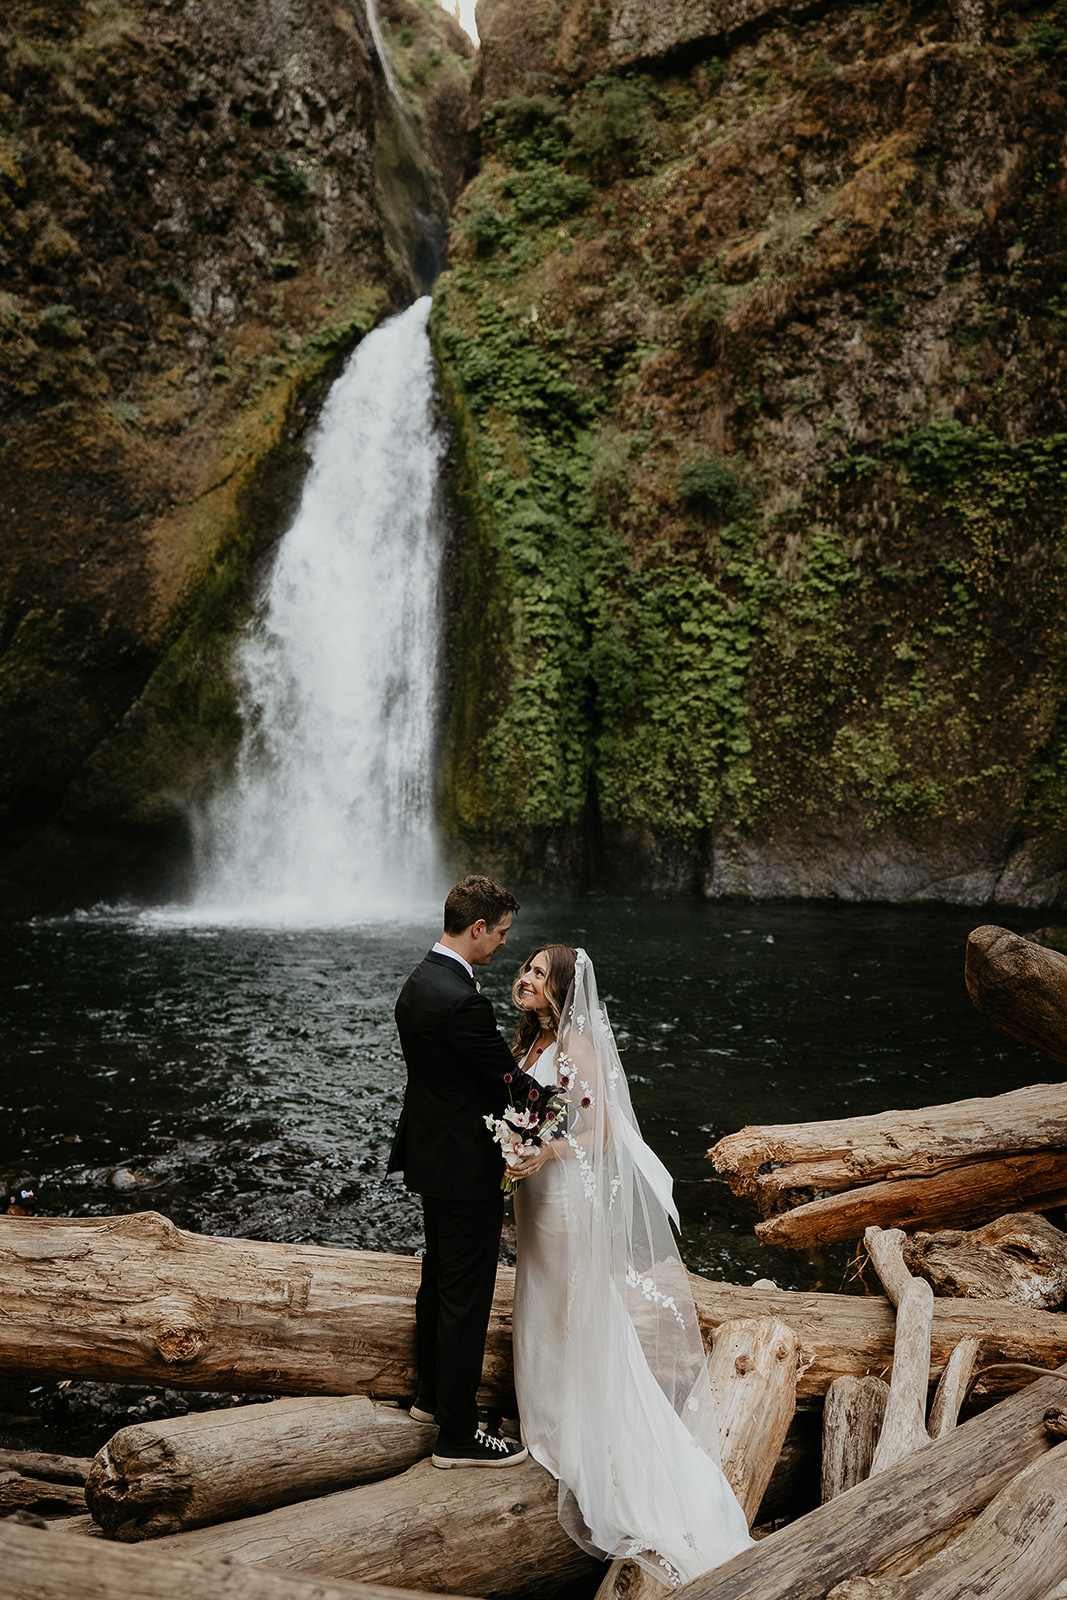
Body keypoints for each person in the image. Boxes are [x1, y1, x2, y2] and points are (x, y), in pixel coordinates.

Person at [506, 944, 754, 1583]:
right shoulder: (529, 1043)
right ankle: (546, 1416)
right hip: (532, 1192)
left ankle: (574, 1427)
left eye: (538, 973)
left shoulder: (577, 1049)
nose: (526, 978)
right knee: (537, 1297)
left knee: (568, 1304)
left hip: (561, 1194)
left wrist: (546, 1150)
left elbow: (607, 1132)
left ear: (561, 988)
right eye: (527, 969)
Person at [389, 874, 542, 1469]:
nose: (506, 943)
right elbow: (506, 1084)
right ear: (477, 928)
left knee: (439, 1283)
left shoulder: (420, 982)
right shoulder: (463, 1001)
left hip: (433, 1158)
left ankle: (431, 1399)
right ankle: (457, 1433)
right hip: (465, 1168)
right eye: (502, 933)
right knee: (466, 1299)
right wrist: (563, 1110)